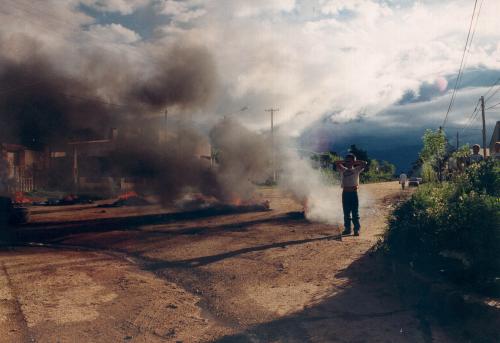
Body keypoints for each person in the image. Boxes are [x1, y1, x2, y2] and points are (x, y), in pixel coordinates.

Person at [335, 154, 367, 236]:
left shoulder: (356, 169)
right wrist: (345, 161)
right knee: (346, 212)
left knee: (355, 213)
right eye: (347, 161)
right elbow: (336, 163)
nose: (348, 163)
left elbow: (365, 163)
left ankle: (356, 229)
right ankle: (347, 229)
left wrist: (354, 161)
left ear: (353, 162)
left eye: (350, 161)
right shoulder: (343, 170)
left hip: (353, 193)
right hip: (345, 193)